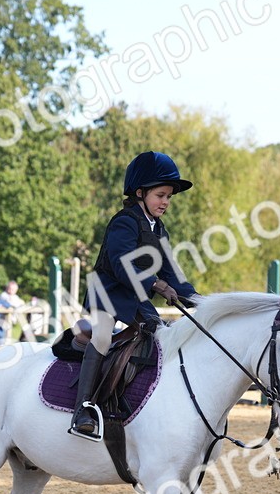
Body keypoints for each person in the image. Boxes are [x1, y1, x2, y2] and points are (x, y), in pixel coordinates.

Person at [71, 151, 201, 440]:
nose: (166, 202)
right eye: (160, 195)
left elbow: (172, 273)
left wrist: (200, 302)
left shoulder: (160, 230)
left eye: (169, 197)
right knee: (103, 337)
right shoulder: (124, 221)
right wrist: (156, 284)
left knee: (161, 336)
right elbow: (120, 263)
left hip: (136, 298)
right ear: (140, 193)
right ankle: (84, 409)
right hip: (108, 294)